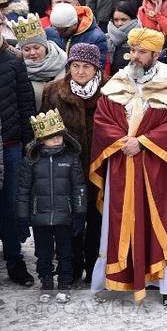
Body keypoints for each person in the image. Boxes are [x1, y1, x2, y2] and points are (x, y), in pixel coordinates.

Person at [89, 28, 167, 305]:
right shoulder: (118, 82)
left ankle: (165, 282)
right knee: (118, 220)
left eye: (141, 52)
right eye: (132, 50)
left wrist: (144, 142)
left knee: (162, 219)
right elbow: (103, 119)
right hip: (122, 162)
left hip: (158, 166)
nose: (134, 56)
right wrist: (123, 140)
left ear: (155, 55)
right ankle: (117, 278)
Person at [40, 43, 109, 281]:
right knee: (67, 222)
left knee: (97, 220)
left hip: (101, 167)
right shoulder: (53, 91)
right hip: (65, 170)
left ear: (96, 68)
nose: (80, 72)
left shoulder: (110, 91)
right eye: (76, 66)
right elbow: (43, 133)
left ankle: (94, 268)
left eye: (87, 67)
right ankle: (71, 267)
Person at [17, 110, 86, 303]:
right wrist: (22, 217)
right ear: (40, 139)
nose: (56, 139)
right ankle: (46, 281)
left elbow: (79, 189)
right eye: (50, 137)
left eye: (58, 135)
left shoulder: (71, 159)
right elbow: (22, 191)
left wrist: (80, 213)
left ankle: (64, 282)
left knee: (66, 252)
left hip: (65, 217)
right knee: (43, 253)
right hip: (40, 218)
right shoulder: (31, 161)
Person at [0, 31, 36, 287]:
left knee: (10, 207)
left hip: (9, 145)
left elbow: (25, 107)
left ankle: (15, 261)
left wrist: (27, 144)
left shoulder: (13, 62)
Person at [11, 13, 66, 108]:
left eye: (37, 47)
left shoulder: (63, 62)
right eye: (27, 49)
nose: (32, 53)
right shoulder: (16, 69)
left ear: (45, 46)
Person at [45, 1, 108, 68]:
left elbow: (98, 67)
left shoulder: (97, 38)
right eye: (55, 28)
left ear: (74, 24)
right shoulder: (49, 32)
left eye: (62, 30)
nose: (57, 32)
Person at [106, 1, 141, 75]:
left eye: (123, 20)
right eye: (116, 20)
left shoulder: (142, 38)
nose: (119, 23)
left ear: (133, 19)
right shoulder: (106, 39)